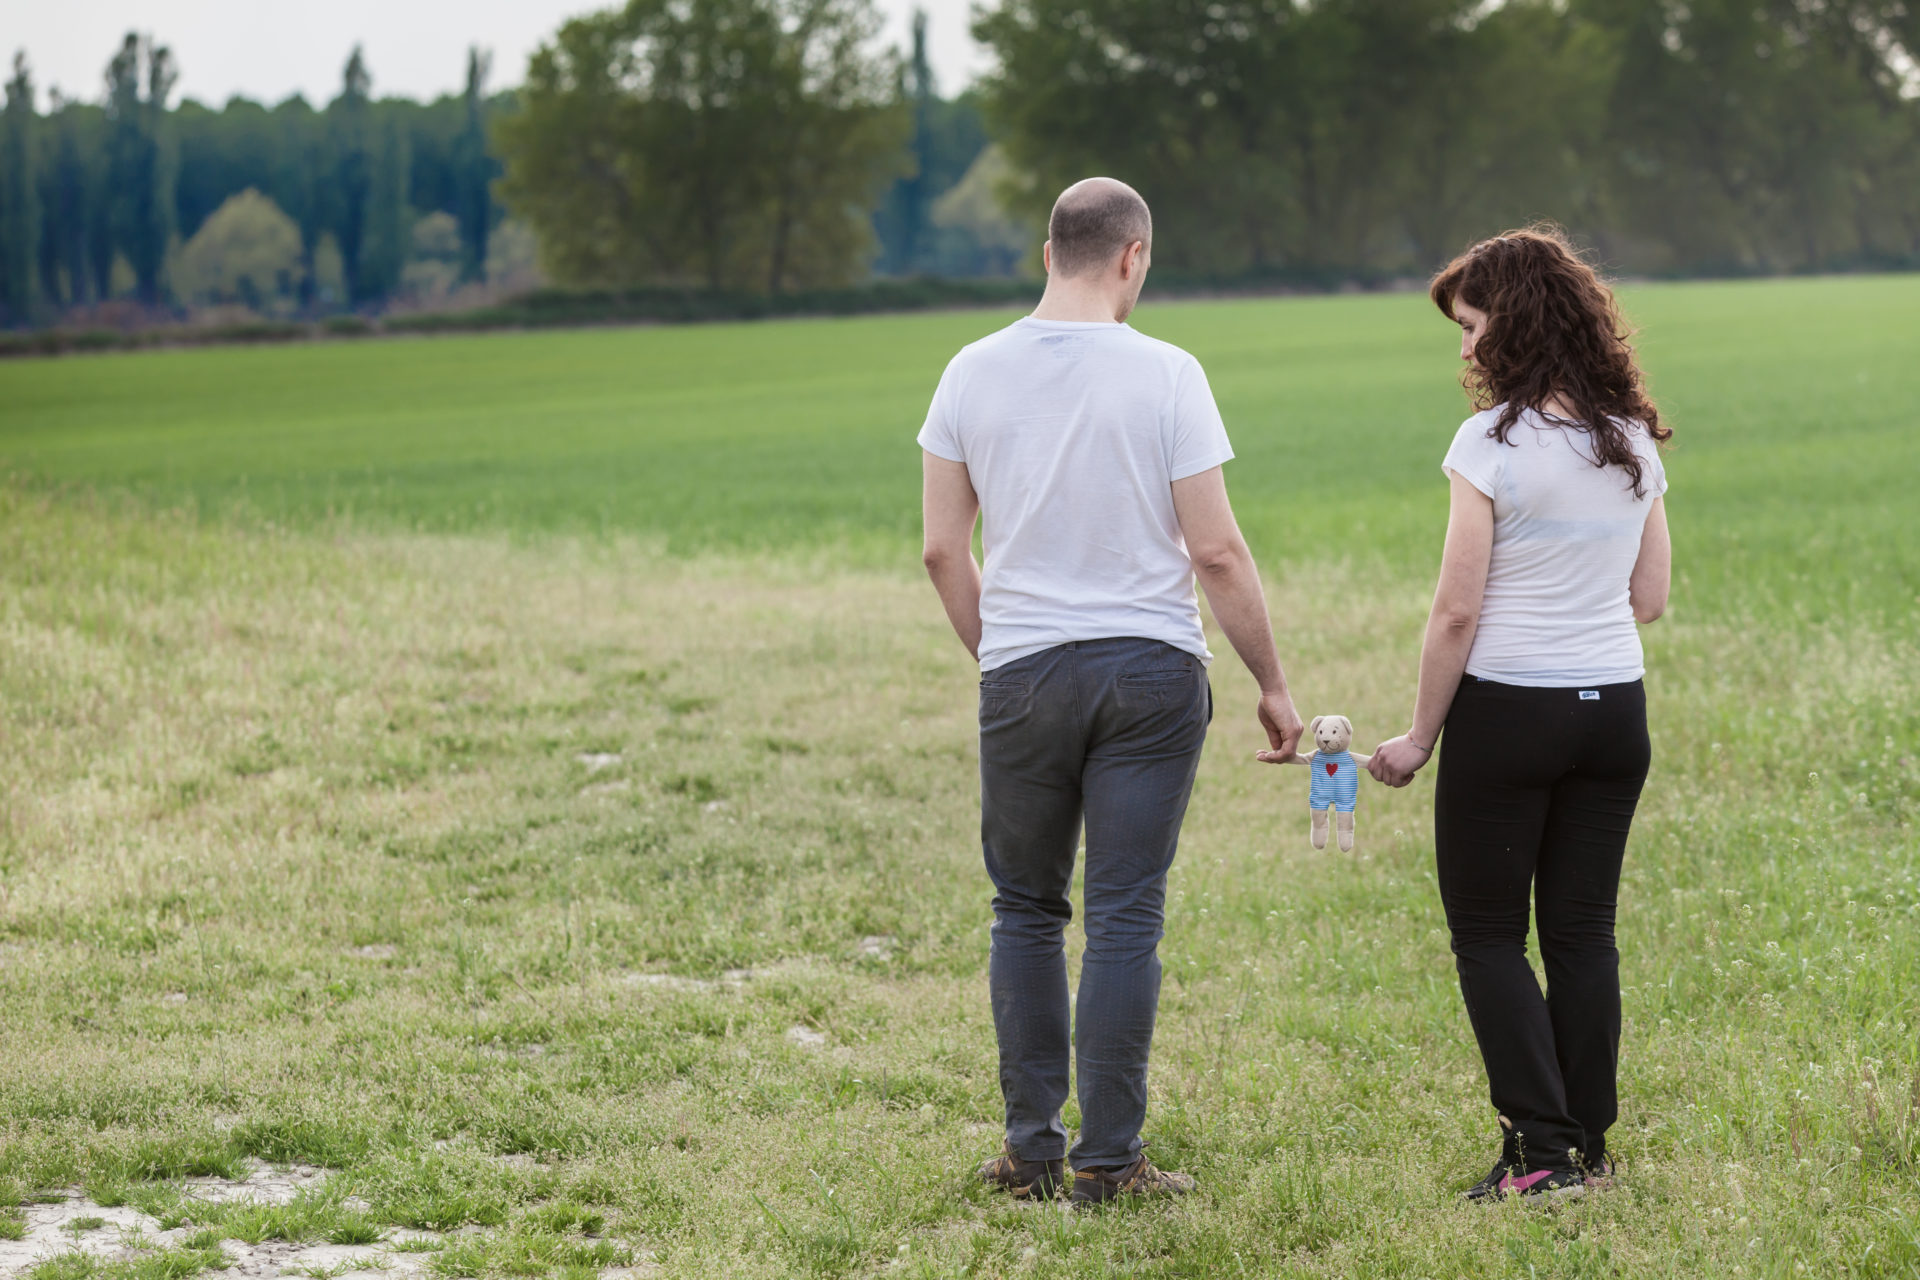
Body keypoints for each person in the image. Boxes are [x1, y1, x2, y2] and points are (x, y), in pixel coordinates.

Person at [919, 177, 1305, 1205]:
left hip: (1025, 670)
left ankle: (1031, 1149)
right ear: (1131, 257)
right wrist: (1271, 680)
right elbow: (1216, 550)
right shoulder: (1169, 372)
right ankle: (1109, 1162)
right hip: (1151, 672)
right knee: (1125, 914)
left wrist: (1001, 653)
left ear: (1050, 251)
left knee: (1025, 908)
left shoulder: (968, 370)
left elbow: (941, 551)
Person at [1369, 227, 1673, 1201]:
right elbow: (1651, 594)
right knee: (1583, 931)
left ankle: (1541, 1152)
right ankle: (1588, 1141)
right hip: (1613, 712)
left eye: (1471, 325)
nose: (1463, 346)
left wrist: (1419, 736)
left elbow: (1458, 608)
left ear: (1516, 321)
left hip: (1511, 714)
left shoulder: (1489, 443)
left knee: (1490, 935)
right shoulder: (1630, 435)